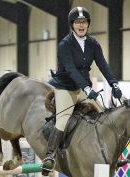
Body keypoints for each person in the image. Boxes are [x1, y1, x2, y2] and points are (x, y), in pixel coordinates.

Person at [42, 6, 122, 175]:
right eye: (78, 22)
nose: (81, 25)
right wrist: (87, 88)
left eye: (84, 22)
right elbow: (71, 69)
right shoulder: (64, 44)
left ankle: (110, 155)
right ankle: (50, 155)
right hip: (66, 88)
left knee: (103, 115)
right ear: (72, 25)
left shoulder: (93, 44)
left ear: (88, 24)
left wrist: (114, 84)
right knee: (63, 119)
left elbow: (103, 65)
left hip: (83, 88)